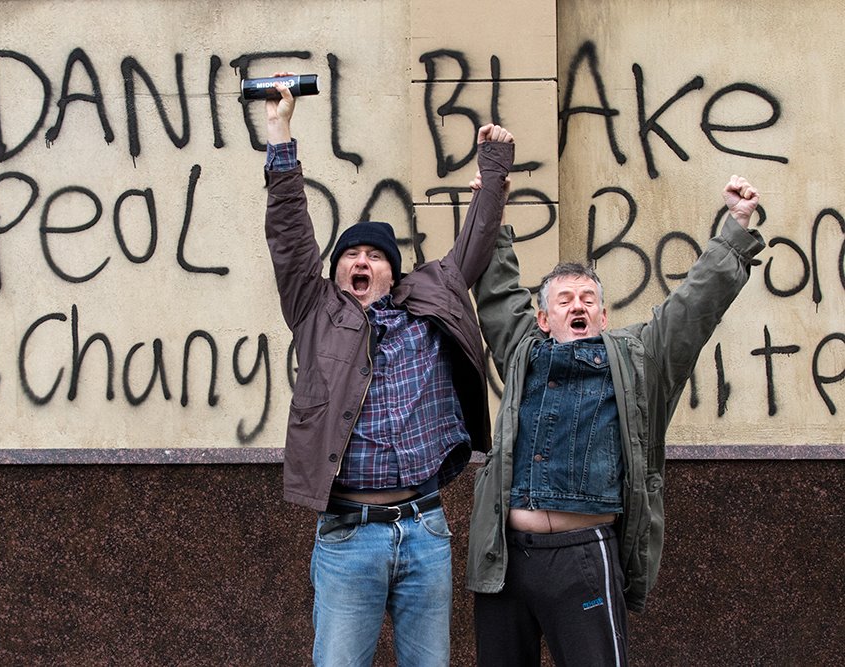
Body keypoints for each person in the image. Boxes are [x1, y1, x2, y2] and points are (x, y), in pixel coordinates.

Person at [261, 71, 514, 666]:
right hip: (348, 535)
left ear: (392, 273)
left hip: (425, 529)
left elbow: (475, 243)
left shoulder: (430, 299)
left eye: (375, 256)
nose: (362, 261)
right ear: (337, 269)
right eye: (351, 254)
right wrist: (280, 134)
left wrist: (495, 166)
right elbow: (291, 236)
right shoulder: (315, 307)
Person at [466, 174, 765, 666]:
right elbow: (497, 291)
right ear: (544, 320)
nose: (577, 306)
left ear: (604, 317)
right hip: (505, 561)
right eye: (564, 301)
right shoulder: (524, 351)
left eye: (588, 300)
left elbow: (692, 308)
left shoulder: (638, 358)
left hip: (583, 558)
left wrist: (736, 225)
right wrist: (489, 207)